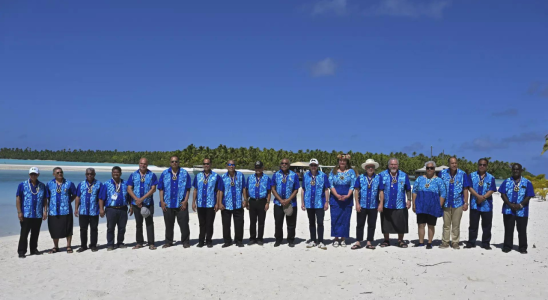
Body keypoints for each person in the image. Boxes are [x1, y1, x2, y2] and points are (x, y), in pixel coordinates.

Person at [498, 163, 535, 254]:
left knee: (522, 230)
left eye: (517, 169)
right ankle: (507, 246)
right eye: (514, 169)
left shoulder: (527, 182)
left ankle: (522, 247)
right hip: (508, 209)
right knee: (508, 229)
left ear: (521, 170)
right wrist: (509, 204)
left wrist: (520, 205)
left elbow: (529, 195)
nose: (515, 171)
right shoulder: (506, 181)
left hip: (522, 211)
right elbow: (502, 194)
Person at [158, 156, 192, 248]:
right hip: (168, 204)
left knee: (184, 224)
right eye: (172, 161)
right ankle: (169, 242)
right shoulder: (165, 173)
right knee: (168, 225)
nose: (174, 163)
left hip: (181, 204)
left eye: (176, 161)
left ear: (178, 162)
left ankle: (185, 241)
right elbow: (161, 189)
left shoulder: (184, 173)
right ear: (170, 163)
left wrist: (185, 201)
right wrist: (162, 201)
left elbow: (188, 188)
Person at [378, 158, 412, 248]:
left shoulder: (404, 175)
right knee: (385, 223)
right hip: (386, 204)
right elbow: (380, 189)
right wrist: (380, 203)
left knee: (401, 223)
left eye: (395, 164)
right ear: (388, 165)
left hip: (400, 204)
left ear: (398, 165)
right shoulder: (382, 175)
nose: (393, 166)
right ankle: (386, 240)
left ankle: (400, 240)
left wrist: (409, 200)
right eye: (391, 164)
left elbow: (408, 189)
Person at [412, 161, 446, 249]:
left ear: (434, 169)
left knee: (431, 225)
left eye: (431, 168)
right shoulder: (419, 179)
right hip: (421, 205)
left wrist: (440, 205)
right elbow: (414, 191)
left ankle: (429, 242)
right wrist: (414, 203)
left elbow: (443, 193)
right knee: (421, 224)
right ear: (425, 169)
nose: (429, 169)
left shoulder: (439, 180)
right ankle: (421, 242)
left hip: (433, 206)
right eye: (428, 168)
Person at [439, 157, 471, 249]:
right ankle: (445, 242)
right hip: (446, 203)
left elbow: (465, 189)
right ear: (449, 164)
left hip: (458, 203)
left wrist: (466, 203)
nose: (454, 165)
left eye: (455, 163)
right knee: (446, 224)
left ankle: (455, 242)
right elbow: (439, 188)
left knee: (456, 225)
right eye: (452, 163)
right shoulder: (442, 173)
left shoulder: (463, 174)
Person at [16, 167, 47, 258]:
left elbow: (45, 199)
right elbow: (18, 199)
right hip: (26, 214)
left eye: (35, 174)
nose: (33, 175)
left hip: (38, 214)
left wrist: (45, 211)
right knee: (24, 233)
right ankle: (21, 251)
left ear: (38, 175)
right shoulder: (22, 185)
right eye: (31, 174)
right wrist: (19, 212)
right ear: (29, 175)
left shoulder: (42, 186)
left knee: (35, 233)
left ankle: (33, 249)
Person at [465, 158, 497, 250]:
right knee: (473, 225)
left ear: (487, 166)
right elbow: (469, 187)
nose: (482, 166)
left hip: (486, 205)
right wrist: (478, 196)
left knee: (487, 226)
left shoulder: (491, 177)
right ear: (478, 165)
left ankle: (486, 243)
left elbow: (492, 189)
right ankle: (471, 242)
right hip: (474, 204)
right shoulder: (472, 175)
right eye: (480, 164)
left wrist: (483, 197)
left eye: (484, 165)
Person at [352, 159, 384, 250]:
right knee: (360, 224)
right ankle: (358, 241)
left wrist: (381, 203)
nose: (371, 168)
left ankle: (369, 241)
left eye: (372, 167)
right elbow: (356, 191)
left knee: (372, 224)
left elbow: (381, 191)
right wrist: (357, 203)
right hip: (362, 204)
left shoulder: (378, 178)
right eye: (369, 167)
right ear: (365, 168)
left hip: (373, 205)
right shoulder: (360, 177)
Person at [127, 158, 158, 250]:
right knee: (138, 224)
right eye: (141, 163)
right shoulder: (133, 175)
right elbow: (129, 189)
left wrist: (142, 199)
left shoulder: (152, 175)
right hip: (136, 204)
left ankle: (151, 243)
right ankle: (139, 242)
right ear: (138, 164)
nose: (143, 165)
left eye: (144, 164)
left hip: (148, 203)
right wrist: (137, 199)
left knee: (149, 223)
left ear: (147, 164)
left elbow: (153, 189)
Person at [99, 166, 132, 251]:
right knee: (110, 227)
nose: (115, 174)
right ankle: (110, 244)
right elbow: (101, 197)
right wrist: (101, 209)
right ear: (111, 173)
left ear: (120, 173)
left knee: (122, 227)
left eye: (117, 172)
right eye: (114, 172)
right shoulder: (106, 184)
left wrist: (131, 207)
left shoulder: (125, 183)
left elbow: (129, 197)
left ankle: (120, 243)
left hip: (123, 208)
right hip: (111, 209)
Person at [45, 167, 77, 254]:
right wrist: (46, 209)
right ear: (54, 174)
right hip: (53, 211)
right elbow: (46, 196)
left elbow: (74, 194)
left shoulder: (69, 183)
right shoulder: (49, 184)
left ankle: (68, 246)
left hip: (66, 210)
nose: (60, 174)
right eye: (58, 172)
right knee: (54, 229)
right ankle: (56, 246)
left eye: (61, 172)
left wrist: (69, 200)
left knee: (68, 229)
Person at [301, 159, 330, 250]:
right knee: (311, 222)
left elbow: (326, 189)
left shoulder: (323, 175)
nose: (313, 167)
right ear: (309, 166)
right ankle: (313, 240)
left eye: (315, 165)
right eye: (312, 165)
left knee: (320, 222)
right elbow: (303, 189)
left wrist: (326, 202)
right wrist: (302, 202)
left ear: (317, 166)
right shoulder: (305, 176)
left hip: (320, 203)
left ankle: (321, 241)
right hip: (309, 203)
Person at [328, 154, 357, 248]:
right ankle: (336, 238)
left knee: (345, 218)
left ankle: (343, 238)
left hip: (347, 198)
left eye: (344, 161)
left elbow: (353, 185)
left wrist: (348, 195)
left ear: (347, 162)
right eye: (340, 160)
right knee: (335, 218)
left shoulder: (351, 172)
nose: (342, 162)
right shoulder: (333, 171)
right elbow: (330, 185)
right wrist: (336, 195)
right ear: (338, 162)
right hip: (335, 198)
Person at [192, 158, 221, 248]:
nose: (206, 165)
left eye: (208, 164)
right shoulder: (198, 176)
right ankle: (201, 241)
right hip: (200, 204)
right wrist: (193, 202)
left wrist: (217, 203)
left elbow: (218, 191)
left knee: (209, 223)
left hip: (211, 204)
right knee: (202, 223)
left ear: (210, 164)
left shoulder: (216, 176)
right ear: (203, 165)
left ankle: (209, 240)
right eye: (204, 164)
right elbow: (195, 190)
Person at [271, 158, 300, 247]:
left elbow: (296, 189)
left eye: (286, 163)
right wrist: (280, 199)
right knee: (278, 223)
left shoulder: (294, 175)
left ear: (289, 165)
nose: (284, 164)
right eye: (282, 163)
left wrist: (288, 200)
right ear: (280, 164)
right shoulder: (276, 175)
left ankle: (291, 240)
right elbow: (273, 188)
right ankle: (278, 239)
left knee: (291, 223)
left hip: (291, 203)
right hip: (278, 203)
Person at [217, 160, 246, 248]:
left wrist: (245, 199)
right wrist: (219, 203)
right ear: (227, 166)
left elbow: (244, 188)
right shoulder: (222, 177)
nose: (231, 166)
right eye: (229, 164)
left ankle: (239, 240)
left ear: (235, 166)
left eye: (233, 164)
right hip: (226, 205)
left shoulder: (240, 175)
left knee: (239, 224)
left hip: (238, 204)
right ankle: (227, 241)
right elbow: (220, 191)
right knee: (226, 224)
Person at [74, 168, 102, 252]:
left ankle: (93, 245)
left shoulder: (99, 184)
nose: (90, 175)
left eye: (91, 174)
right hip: (83, 211)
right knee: (83, 229)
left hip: (94, 211)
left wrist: (101, 209)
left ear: (94, 174)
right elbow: (78, 197)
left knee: (94, 228)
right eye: (88, 174)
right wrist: (76, 208)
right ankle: (83, 246)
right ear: (85, 174)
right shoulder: (81, 184)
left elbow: (100, 198)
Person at [245, 161, 271, 246]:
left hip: (262, 201)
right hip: (252, 201)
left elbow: (269, 192)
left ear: (262, 168)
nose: (258, 169)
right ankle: (252, 238)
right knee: (252, 221)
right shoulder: (250, 178)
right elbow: (246, 190)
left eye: (259, 167)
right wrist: (246, 200)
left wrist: (267, 202)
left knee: (261, 221)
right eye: (256, 167)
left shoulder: (267, 178)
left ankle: (260, 238)